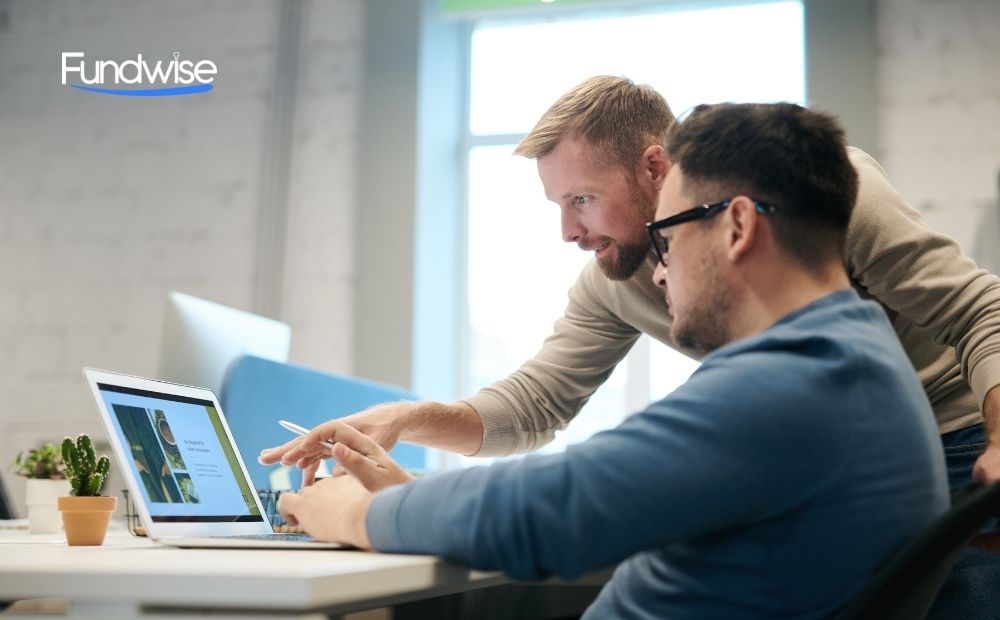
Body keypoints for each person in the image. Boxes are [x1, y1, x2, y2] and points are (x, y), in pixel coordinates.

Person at [277, 102, 950, 619]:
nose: (659, 274)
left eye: (671, 236)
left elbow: (551, 509)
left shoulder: (790, 384)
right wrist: (411, 496)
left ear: (738, 226)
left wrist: (349, 514)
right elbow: (555, 451)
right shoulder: (857, 357)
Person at [262, 76, 1000, 499]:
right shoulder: (614, 277)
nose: (569, 233)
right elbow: (537, 402)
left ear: (654, 169)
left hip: (951, 441)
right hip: (817, 460)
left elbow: (979, 308)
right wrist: (410, 418)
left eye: (581, 201)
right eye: (557, 208)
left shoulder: (824, 191)